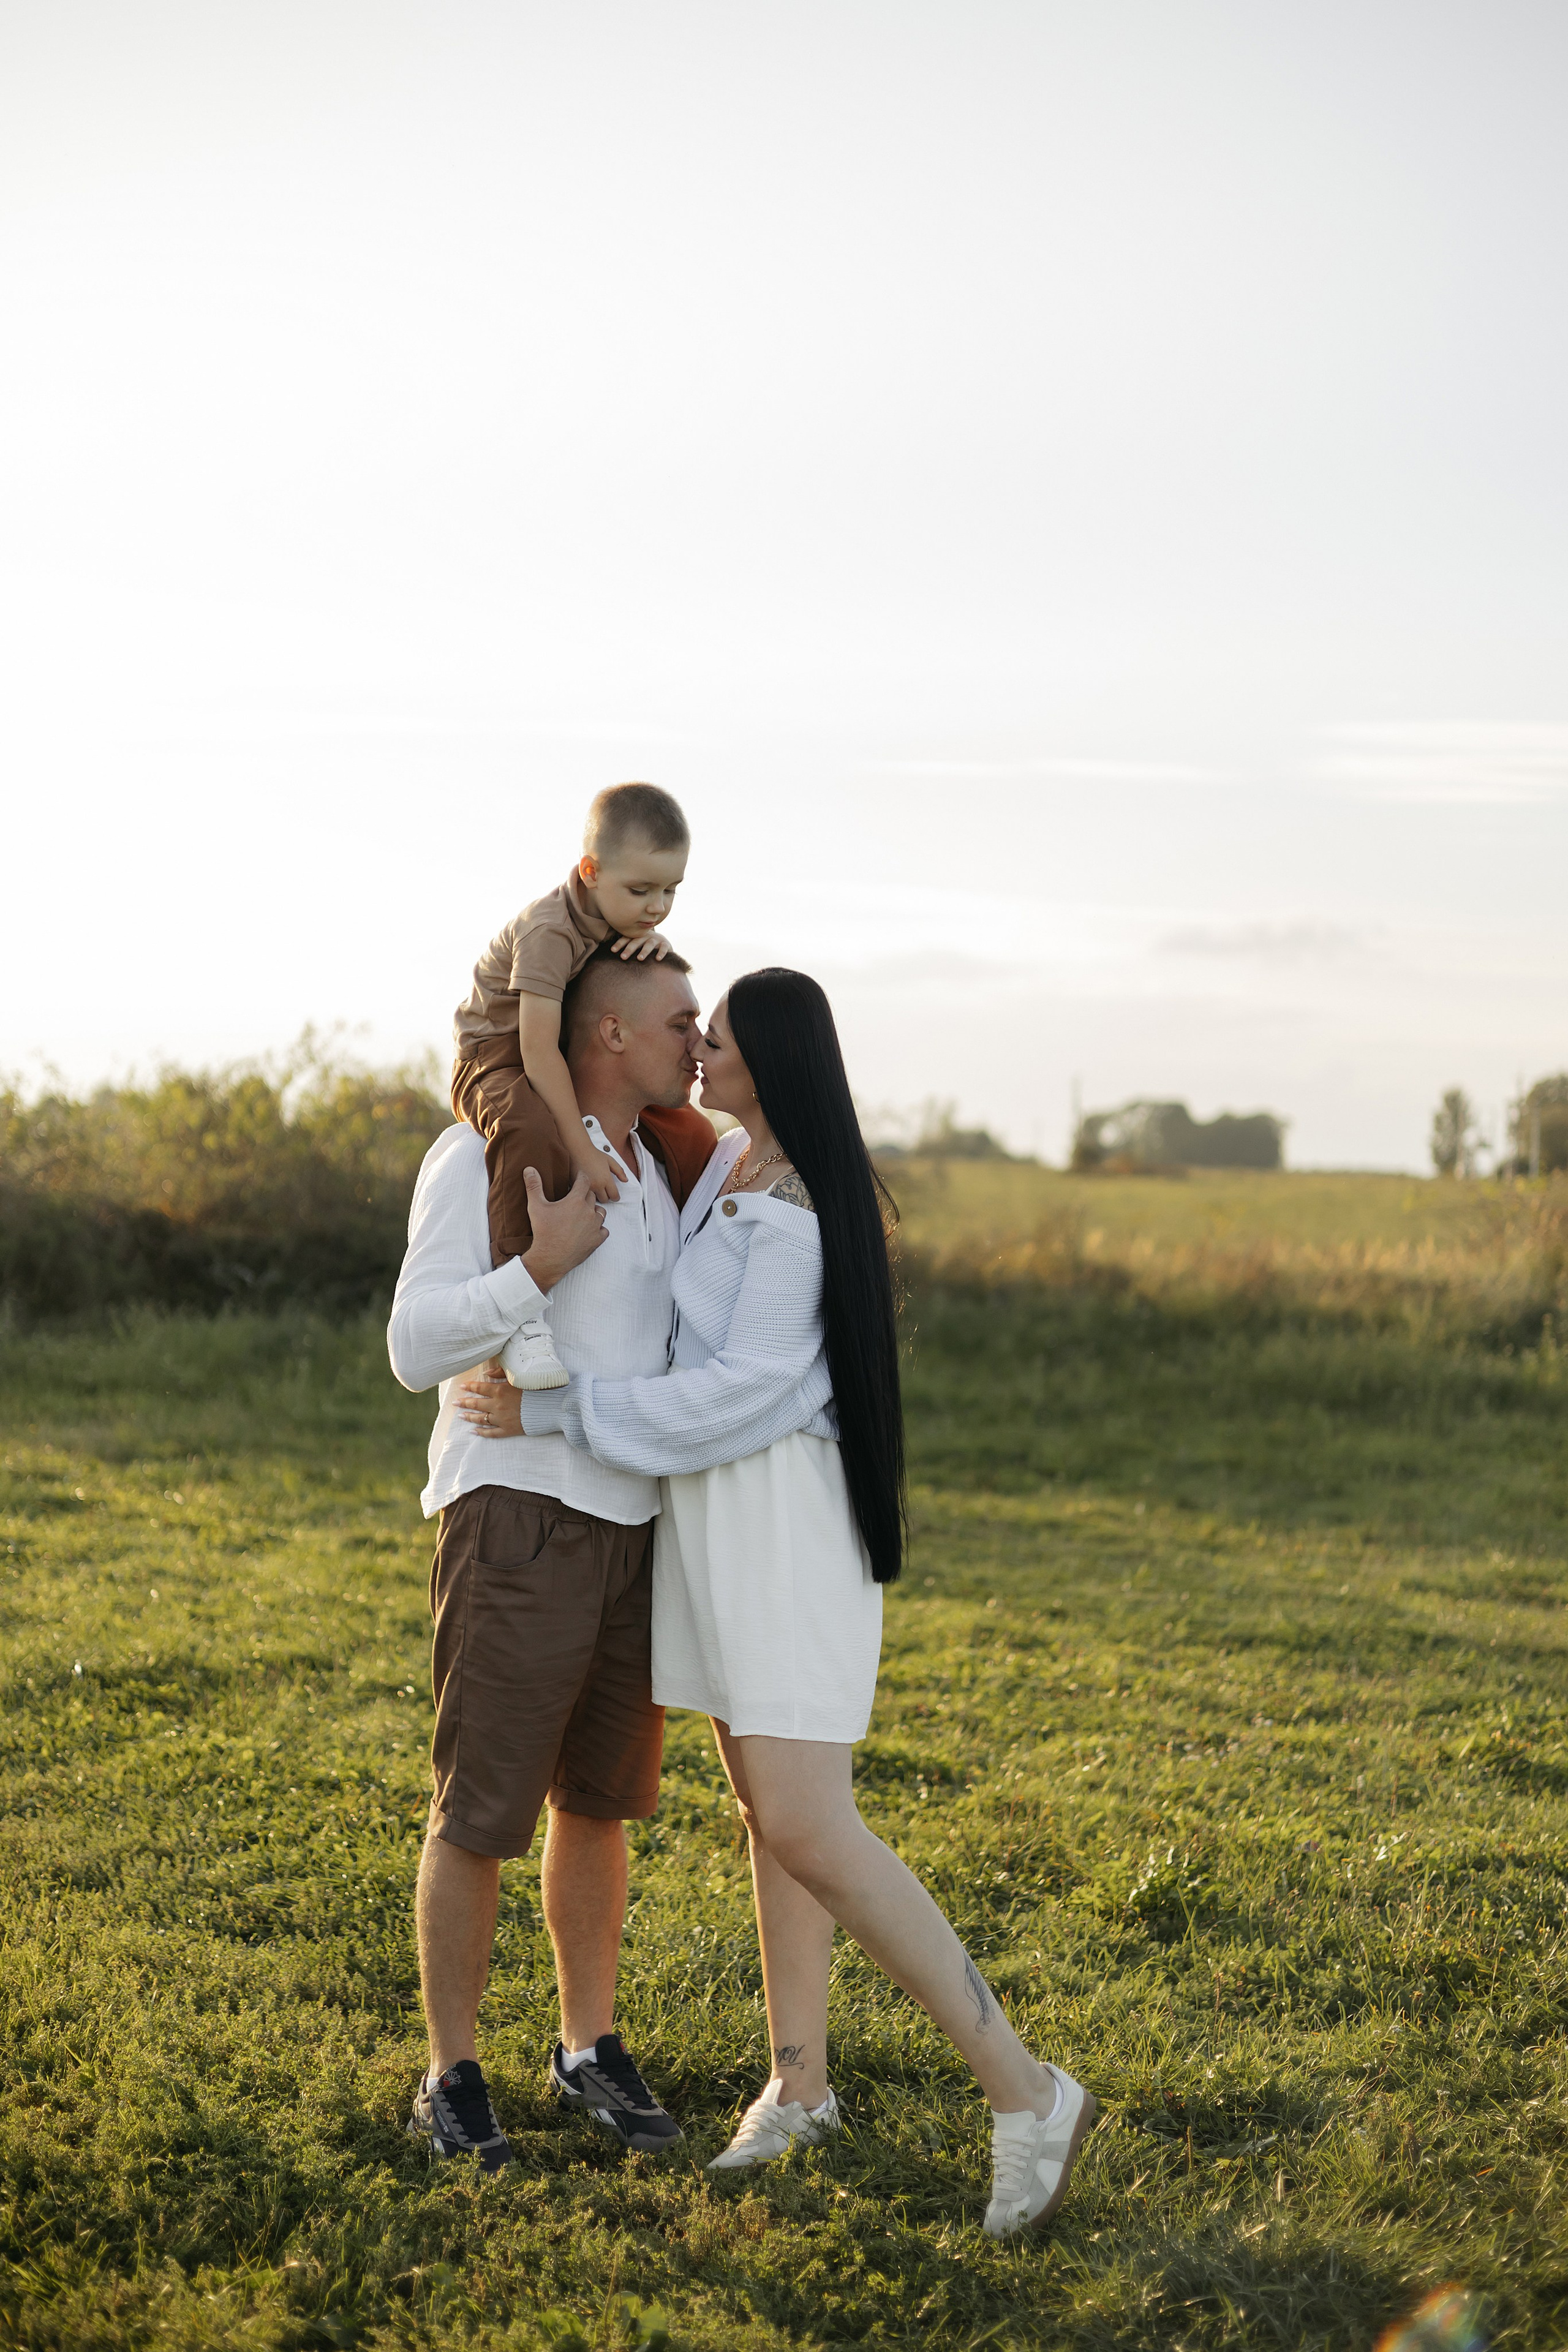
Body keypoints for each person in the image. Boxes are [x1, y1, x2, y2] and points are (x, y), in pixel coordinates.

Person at [457, 968, 1096, 2237]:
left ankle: (1026, 2091)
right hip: (725, 1535)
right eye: (694, 1030)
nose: (698, 1051)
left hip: (782, 1539)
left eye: (720, 1038)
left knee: (812, 1825)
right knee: (769, 1818)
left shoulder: (791, 1213)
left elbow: (741, 1391)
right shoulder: (734, 1167)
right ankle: (797, 2085)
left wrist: (564, 1409)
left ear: (773, 1063)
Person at [387, 945, 717, 2172]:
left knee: (600, 1804)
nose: (699, 1039)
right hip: (515, 1520)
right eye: (680, 1020)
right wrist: (539, 1266)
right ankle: (452, 2077)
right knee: (481, 1814)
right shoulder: (476, 1154)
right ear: (608, 1035)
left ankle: (588, 2046)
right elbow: (414, 1346)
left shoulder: (660, 1169)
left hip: (637, 1531)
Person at [449, 781, 699, 1392]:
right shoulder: (549, 931)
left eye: (670, 890)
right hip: (495, 1055)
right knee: (529, 1129)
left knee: (682, 1128)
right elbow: (535, 1049)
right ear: (589, 871)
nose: (656, 906)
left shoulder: (615, 925)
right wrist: (583, 1147)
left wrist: (647, 950)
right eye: (640, 890)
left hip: (551, 1053)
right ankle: (523, 1308)